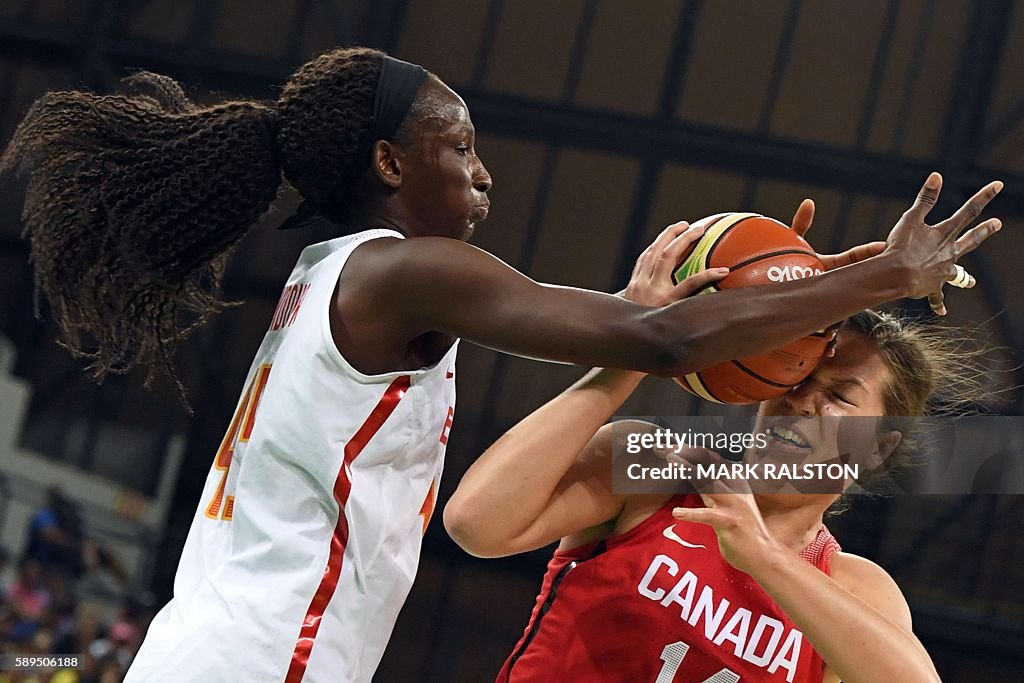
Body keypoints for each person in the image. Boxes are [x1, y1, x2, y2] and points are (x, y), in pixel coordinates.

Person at [0, 45, 1000, 681]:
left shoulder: (341, 274)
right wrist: (863, 284)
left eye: (842, 391)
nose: (482, 170)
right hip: (268, 650)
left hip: (239, 640)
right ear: (390, 163)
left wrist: (813, 294)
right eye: (459, 145)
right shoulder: (414, 279)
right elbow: (644, 354)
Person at [444, 224, 982, 682]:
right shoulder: (657, 466)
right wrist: (639, 342)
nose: (803, 403)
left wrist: (765, 557)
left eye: (840, 397)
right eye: (797, 375)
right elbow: (476, 523)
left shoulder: (853, 585)